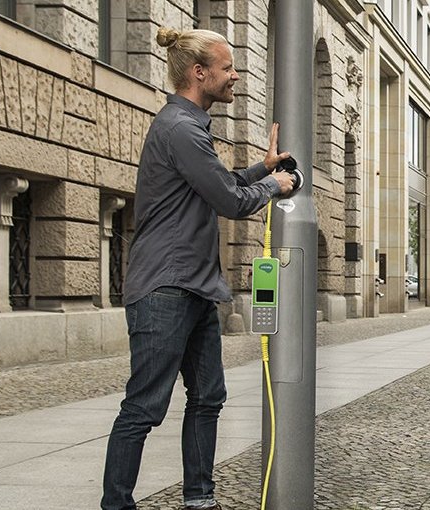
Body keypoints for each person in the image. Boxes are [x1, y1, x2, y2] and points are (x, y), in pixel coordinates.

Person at [102, 27, 295, 510]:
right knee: (144, 407)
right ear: (198, 72)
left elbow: (217, 183)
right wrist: (275, 185)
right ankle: (115, 505)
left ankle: (199, 500)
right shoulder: (180, 128)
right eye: (228, 68)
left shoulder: (189, 128)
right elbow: (228, 201)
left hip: (194, 287)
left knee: (208, 396)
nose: (235, 76)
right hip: (165, 288)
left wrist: (260, 170)